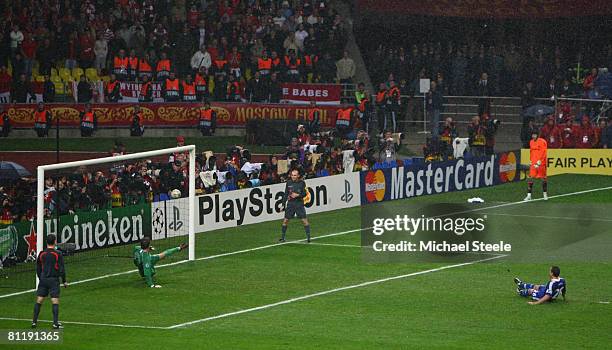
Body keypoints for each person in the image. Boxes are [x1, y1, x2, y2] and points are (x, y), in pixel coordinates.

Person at [32, 234, 67, 329]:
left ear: (46, 242)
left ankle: (34, 322)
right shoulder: (57, 254)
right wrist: (64, 281)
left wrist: (41, 278)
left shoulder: (41, 253)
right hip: (53, 280)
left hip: (43, 279)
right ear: (55, 241)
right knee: (55, 301)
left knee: (39, 300)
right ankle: (55, 323)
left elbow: (38, 268)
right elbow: (62, 269)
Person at [279, 169, 311, 243]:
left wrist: (298, 195)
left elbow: (305, 193)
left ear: (298, 176)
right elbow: (286, 194)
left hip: (299, 204)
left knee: (304, 220)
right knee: (286, 220)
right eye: (292, 175)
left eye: (295, 175)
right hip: (290, 204)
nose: (293, 177)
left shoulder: (302, 183)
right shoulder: (288, 183)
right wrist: (283, 205)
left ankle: (308, 238)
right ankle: (283, 237)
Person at [524, 128, 548, 201]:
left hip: (541, 163)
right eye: (532, 135)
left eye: (534, 135)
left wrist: (540, 161)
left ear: (537, 135)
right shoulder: (531, 142)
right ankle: (529, 195)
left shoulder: (542, 142)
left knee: (543, 178)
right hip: (534, 163)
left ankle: (545, 194)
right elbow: (531, 152)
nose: (533, 136)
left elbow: (544, 152)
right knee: (530, 178)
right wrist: (531, 160)